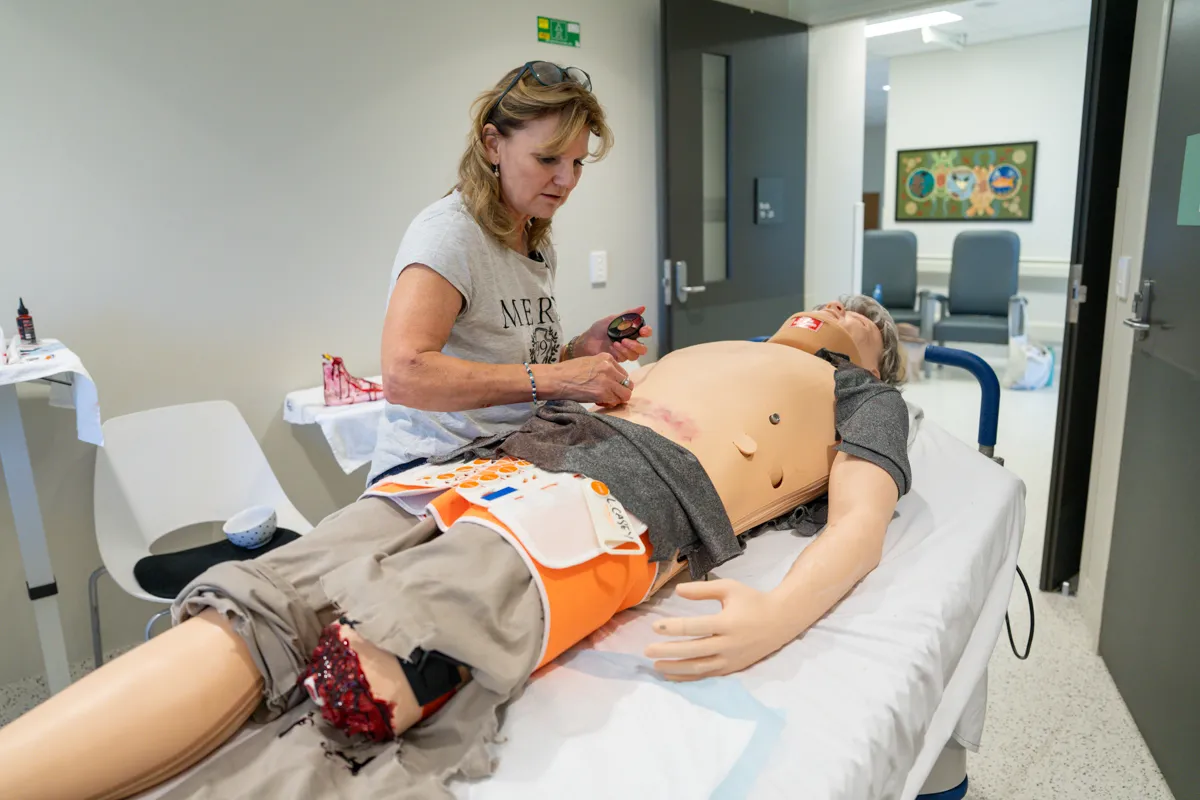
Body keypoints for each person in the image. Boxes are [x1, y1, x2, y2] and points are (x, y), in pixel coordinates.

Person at [0, 296, 907, 800]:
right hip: (490, 464)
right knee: (258, 606)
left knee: (364, 687)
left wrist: (778, 615)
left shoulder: (858, 397)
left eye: (865, 314)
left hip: (619, 504)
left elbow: (860, 521)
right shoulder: (714, 344)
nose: (839, 305)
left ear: (875, 360)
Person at [370, 59, 652, 487]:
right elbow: (405, 376)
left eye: (577, 163)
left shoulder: (533, 239)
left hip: (510, 452)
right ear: (492, 145)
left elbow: (513, 368)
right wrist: (562, 378)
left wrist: (578, 349)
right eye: (548, 158)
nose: (566, 180)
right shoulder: (450, 234)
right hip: (434, 467)